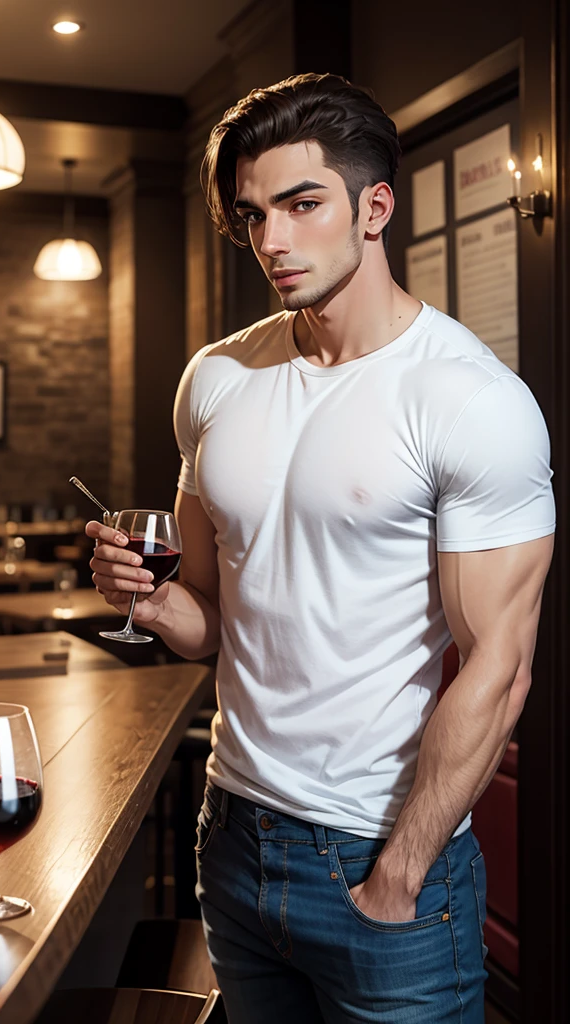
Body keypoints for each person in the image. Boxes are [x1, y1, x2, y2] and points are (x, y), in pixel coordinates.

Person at [87, 73, 555, 1023]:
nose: (273, 241)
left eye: (303, 206)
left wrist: (400, 874)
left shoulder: (468, 401)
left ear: (374, 205)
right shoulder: (216, 379)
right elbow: (204, 621)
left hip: (379, 852)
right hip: (233, 828)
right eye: (255, 214)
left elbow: (500, 671)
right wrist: (141, 593)